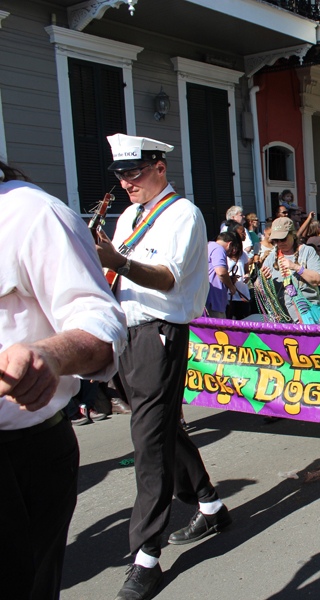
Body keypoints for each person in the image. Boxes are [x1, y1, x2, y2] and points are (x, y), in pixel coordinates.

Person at [94, 134, 232, 600]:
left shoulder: (183, 214)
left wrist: (119, 261)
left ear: (159, 167)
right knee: (160, 428)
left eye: (133, 173)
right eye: (120, 174)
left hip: (159, 333)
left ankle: (146, 556)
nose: (126, 182)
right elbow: (115, 270)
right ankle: (210, 506)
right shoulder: (129, 214)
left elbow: (168, 276)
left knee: (148, 441)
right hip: (126, 332)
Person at [0, 160, 127, 600]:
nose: (128, 181)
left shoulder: (31, 213)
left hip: (18, 454)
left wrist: (48, 355)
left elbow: (100, 320)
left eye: (137, 171)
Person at [256, 217, 320, 324]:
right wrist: (263, 280)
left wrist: (296, 267)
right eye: (276, 240)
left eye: (283, 239)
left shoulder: (307, 251)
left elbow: (318, 280)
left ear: (293, 234)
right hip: (283, 320)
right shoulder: (272, 256)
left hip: (310, 317)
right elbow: (258, 287)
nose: (280, 243)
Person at [206, 231, 240, 319]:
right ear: (229, 244)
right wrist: (231, 286)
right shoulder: (219, 248)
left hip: (207, 298)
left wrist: (229, 279)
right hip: (214, 300)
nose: (230, 253)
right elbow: (221, 272)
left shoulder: (208, 245)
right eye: (232, 249)